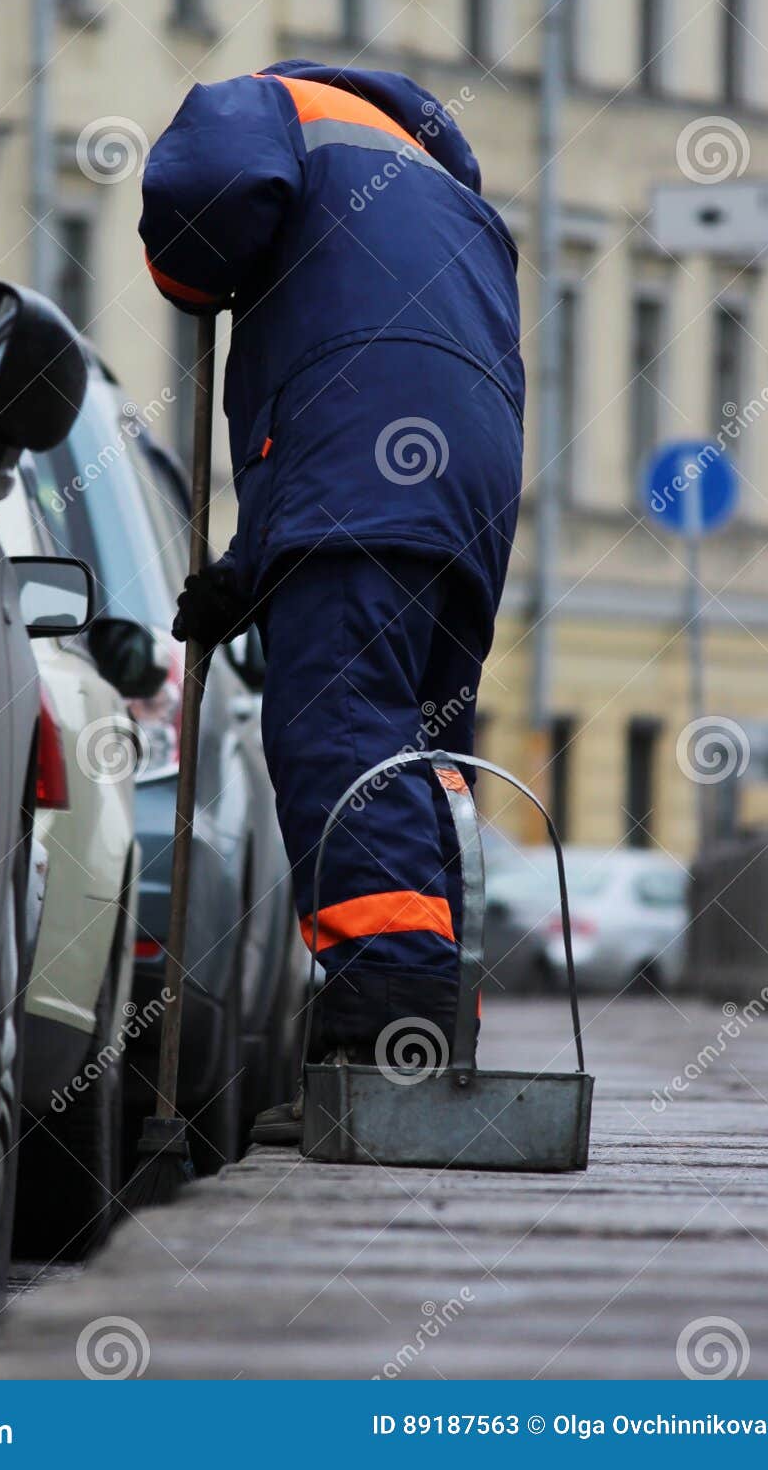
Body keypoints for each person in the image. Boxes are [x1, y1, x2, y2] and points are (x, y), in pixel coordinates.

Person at [139, 61, 523, 1143]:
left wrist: (194, 273)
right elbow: (366, 375)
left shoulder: (266, 103)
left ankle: (385, 1028)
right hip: (462, 499)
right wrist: (246, 573)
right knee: (403, 747)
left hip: (365, 477)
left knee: (337, 731)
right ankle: (433, 1032)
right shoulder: (440, 193)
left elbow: (203, 185)